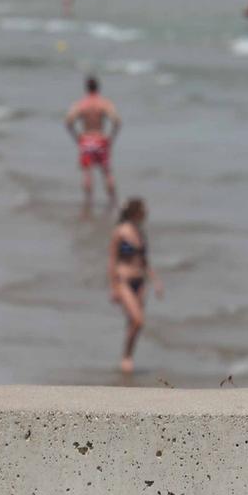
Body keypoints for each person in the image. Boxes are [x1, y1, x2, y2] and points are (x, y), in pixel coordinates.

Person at [109, 197, 160, 375]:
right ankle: (126, 356)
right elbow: (112, 260)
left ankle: (129, 355)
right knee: (138, 320)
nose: (146, 213)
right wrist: (114, 287)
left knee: (133, 322)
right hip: (124, 280)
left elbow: (145, 261)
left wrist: (156, 282)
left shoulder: (140, 232)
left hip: (141, 281)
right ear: (135, 211)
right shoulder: (120, 232)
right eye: (143, 210)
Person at [64, 76, 121, 212]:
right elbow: (117, 121)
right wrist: (111, 138)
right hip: (100, 138)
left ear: (86, 88)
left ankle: (88, 203)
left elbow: (68, 122)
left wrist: (77, 138)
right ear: (98, 87)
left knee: (87, 173)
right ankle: (113, 202)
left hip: (87, 139)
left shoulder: (80, 104)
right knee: (106, 172)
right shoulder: (104, 103)